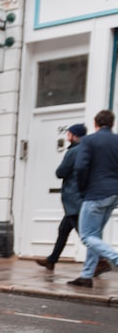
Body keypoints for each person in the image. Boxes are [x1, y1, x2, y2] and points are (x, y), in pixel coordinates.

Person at [68, 109, 118, 288]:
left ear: (96, 123)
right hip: (113, 195)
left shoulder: (89, 140)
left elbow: (80, 167)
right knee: (95, 234)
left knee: (87, 235)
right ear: (111, 124)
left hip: (95, 194)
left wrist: (82, 189)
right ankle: (86, 275)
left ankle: (115, 258)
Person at [36, 123, 87, 271]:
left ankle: (101, 260)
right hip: (77, 199)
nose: (67, 136)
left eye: (69, 133)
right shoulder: (85, 149)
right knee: (63, 230)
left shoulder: (73, 151)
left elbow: (61, 172)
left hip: (74, 199)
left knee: (85, 235)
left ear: (75, 135)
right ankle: (51, 260)